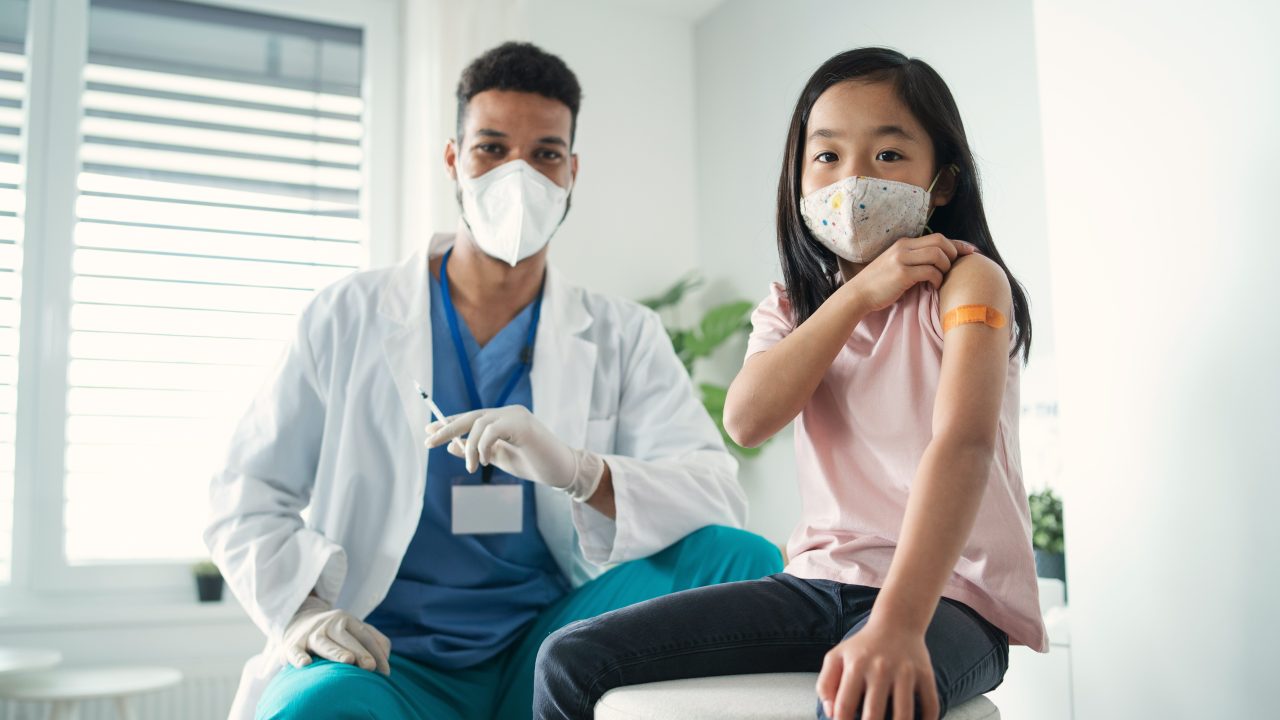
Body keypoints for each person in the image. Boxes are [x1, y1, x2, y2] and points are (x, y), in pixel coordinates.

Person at [205, 41, 781, 720]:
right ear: (454, 159)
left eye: (544, 154)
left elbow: (717, 497)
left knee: (738, 557)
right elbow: (245, 495)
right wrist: (302, 611)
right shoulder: (350, 315)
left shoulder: (622, 334)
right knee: (315, 709)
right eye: (491, 148)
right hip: (385, 659)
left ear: (572, 170)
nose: (520, 176)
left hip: (552, 650)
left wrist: (578, 470)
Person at [534, 47, 1048, 720]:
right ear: (799, 179)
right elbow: (747, 420)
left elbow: (965, 446)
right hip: (817, 585)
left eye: (889, 156)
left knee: (856, 703)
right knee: (569, 660)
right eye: (827, 157)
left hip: (949, 598)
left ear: (942, 183)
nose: (854, 179)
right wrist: (859, 294)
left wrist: (895, 625)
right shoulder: (794, 308)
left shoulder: (970, 283)